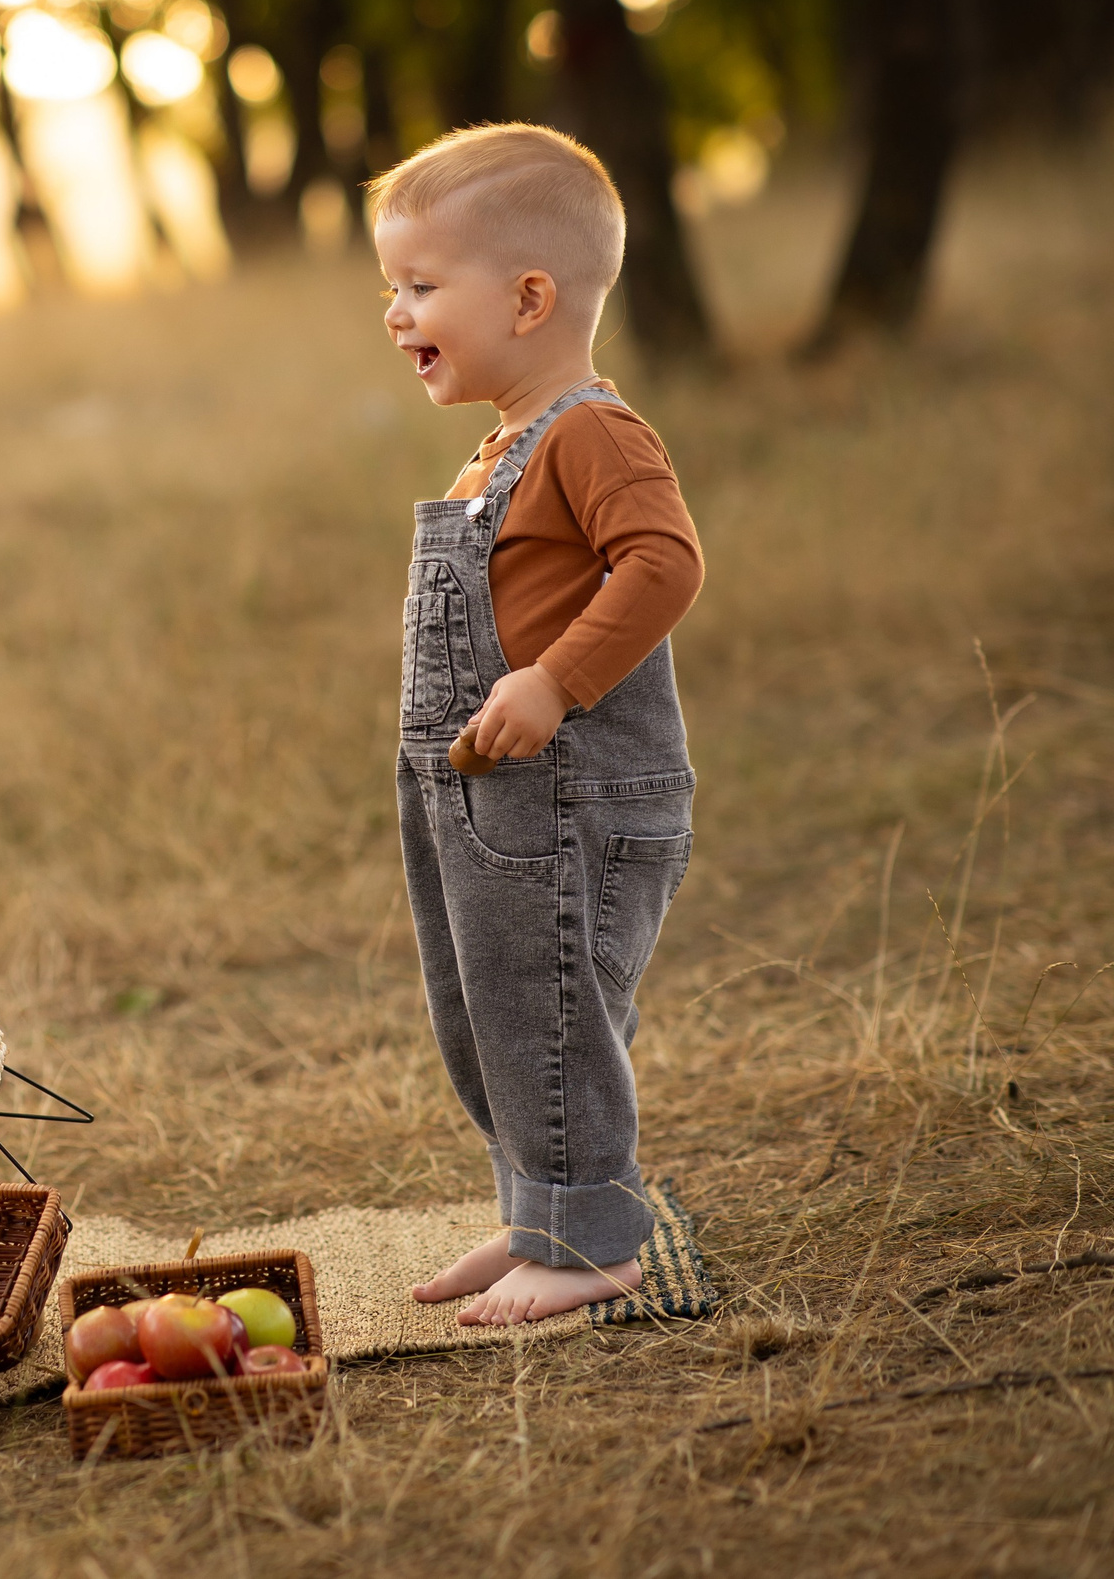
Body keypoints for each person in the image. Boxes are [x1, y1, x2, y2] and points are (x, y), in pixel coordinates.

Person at [371, 123, 705, 1326]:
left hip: (567, 791)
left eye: (418, 287)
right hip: (480, 793)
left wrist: (556, 681)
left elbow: (662, 564)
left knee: (550, 1005)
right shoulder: (495, 449)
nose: (396, 313)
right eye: (389, 289)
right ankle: (538, 1214)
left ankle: (592, 1240)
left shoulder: (589, 432)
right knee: (490, 1012)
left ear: (527, 297)